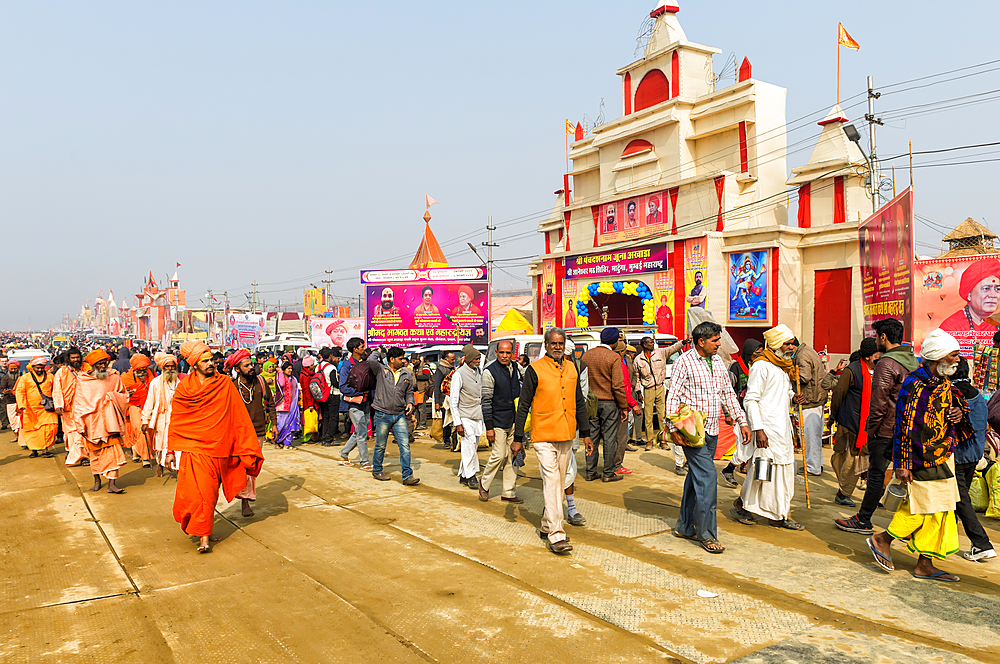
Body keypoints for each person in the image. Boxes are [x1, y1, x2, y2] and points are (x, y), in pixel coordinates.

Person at [866, 329, 969, 582]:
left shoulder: (942, 383)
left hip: (943, 453)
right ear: (938, 358)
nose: (958, 360)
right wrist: (902, 464)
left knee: (942, 509)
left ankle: (925, 564)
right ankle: (883, 539)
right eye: (953, 355)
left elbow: (945, 413)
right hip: (919, 457)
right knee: (924, 508)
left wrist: (956, 415)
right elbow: (904, 426)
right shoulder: (915, 385)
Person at [168, 341, 264, 553]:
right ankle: (204, 536)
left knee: (210, 495)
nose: (211, 363)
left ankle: (205, 530)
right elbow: (177, 420)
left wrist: (245, 444)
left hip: (220, 449)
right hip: (194, 450)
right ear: (194, 365)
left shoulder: (225, 384)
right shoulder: (184, 389)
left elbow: (238, 416)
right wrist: (169, 451)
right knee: (200, 495)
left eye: (211, 359)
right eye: (205, 361)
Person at [666, 321, 751, 554]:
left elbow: (728, 394)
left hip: (713, 428)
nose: (719, 344)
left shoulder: (718, 362)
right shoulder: (684, 362)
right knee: (708, 479)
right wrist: (673, 429)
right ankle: (706, 533)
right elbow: (672, 397)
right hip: (692, 430)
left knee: (697, 478)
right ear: (701, 341)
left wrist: (741, 420)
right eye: (715, 340)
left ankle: (684, 527)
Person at [513, 328, 592, 554]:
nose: (557, 346)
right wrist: (518, 438)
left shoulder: (571, 369)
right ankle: (556, 534)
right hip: (543, 436)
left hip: (566, 434)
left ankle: (547, 524)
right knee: (551, 480)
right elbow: (524, 406)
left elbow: (579, 402)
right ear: (546, 345)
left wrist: (585, 433)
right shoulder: (534, 370)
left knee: (560, 480)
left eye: (560, 343)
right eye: (553, 343)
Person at [836, 318, 918, 535]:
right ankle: (911, 526)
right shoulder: (912, 361)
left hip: (886, 429)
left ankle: (863, 520)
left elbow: (879, 402)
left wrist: (870, 430)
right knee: (909, 477)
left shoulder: (887, 363)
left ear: (883, 337)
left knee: (876, 475)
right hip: (909, 428)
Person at [731, 325, 804, 530]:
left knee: (783, 472)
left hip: (782, 428)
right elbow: (751, 400)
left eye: (791, 343)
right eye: (787, 343)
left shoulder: (783, 366)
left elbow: (783, 392)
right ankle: (754, 509)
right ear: (775, 344)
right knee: (763, 471)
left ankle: (776, 512)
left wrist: (793, 397)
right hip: (767, 428)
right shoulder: (761, 366)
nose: (791, 347)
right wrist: (758, 429)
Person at [950, 357, 996, 561]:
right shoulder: (977, 394)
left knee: (960, 500)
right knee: (956, 500)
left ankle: (981, 543)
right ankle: (945, 536)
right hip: (974, 454)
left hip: (957, 456)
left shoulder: (952, 395)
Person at [828, 338, 879, 506]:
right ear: (869, 356)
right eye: (875, 353)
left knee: (854, 459)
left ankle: (846, 489)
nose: (878, 355)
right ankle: (843, 493)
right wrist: (833, 416)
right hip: (851, 422)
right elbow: (838, 395)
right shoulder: (852, 371)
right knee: (849, 459)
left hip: (868, 424)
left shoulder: (878, 371)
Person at [227, 348, 275, 517]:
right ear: (237, 369)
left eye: (251, 364)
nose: (251, 368)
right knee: (241, 466)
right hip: (239, 433)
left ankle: (246, 497)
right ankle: (244, 500)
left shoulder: (260, 381)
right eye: (246, 365)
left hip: (259, 431)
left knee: (252, 467)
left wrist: (274, 425)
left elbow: (271, 404)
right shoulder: (231, 386)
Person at [74, 350, 129, 494]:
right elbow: (78, 404)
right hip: (92, 423)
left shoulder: (114, 378)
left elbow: (124, 395)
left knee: (113, 452)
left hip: (111, 422)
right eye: (100, 363)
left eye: (105, 362)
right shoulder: (83, 381)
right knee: (95, 454)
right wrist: (80, 425)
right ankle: (97, 481)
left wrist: (112, 397)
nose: (103, 365)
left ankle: (112, 484)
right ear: (92, 366)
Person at [581, 327, 628, 483]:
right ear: (615, 342)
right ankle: (608, 473)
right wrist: (624, 406)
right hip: (609, 403)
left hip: (591, 402)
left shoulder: (587, 355)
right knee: (609, 438)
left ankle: (590, 471)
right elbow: (617, 386)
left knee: (591, 437)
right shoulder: (613, 357)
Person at [368, 346, 419, 485]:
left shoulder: (406, 374)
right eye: (400, 358)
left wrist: (410, 403)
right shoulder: (381, 370)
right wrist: (377, 351)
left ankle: (407, 476)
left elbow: (409, 392)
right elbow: (370, 360)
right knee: (381, 445)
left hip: (399, 414)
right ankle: (377, 469)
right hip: (382, 414)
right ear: (391, 359)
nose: (403, 361)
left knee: (405, 445)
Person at [479, 340, 522, 502]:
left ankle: (508, 492)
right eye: (502, 353)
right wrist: (489, 427)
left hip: (514, 420)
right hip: (497, 420)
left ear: (512, 354)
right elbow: (486, 401)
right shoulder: (489, 372)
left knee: (513, 455)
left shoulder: (517, 368)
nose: (505, 356)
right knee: (499, 454)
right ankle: (484, 483)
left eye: (508, 353)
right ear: (496, 353)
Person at [634, 335, 687, 459]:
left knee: (662, 416)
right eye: (650, 342)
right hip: (648, 390)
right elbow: (636, 377)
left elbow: (673, 348)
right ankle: (649, 441)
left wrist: (683, 342)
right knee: (647, 416)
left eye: (653, 342)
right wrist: (638, 392)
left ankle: (663, 441)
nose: (653, 344)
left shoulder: (661, 352)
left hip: (660, 388)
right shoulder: (638, 359)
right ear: (644, 345)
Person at [721, 339, 764, 487]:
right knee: (744, 443)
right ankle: (729, 468)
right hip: (741, 411)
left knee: (753, 445)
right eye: (755, 353)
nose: (758, 356)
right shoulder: (736, 368)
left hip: (757, 411)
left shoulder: (759, 367)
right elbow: (726, 391)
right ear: (748, 352)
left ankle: (745, 470)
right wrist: (728, 412)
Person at [790, 337, 827, 476]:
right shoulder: (807, 351)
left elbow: (804, 377)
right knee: (814, 436)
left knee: (810, 436)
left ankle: (813, 467)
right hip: (816, 399)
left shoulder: (802, 355)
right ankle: (816, 464)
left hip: (810, 400)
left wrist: (789, 373)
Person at [450, 344, 484, 488]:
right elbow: (453, 401)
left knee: (472, 446)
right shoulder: (458, 374)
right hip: (464, 416)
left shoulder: (479, 371)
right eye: (476, 358)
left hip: (478, 415)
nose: (478, 361)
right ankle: (471, 476)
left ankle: (464, 475)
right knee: (468, 445)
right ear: (469, 359)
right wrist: (458, 423)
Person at [141, 352, 180, 477]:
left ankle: (177, 466)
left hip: (177, 417)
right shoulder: (155, 383)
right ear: (162, 367)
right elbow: (149, 402)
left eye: (172, 366)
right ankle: (160, 465)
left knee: (176, 444)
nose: (170, 369)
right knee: (160, 444)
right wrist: (145, 421)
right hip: (161, 418)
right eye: (167, 366)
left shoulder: (180, 382)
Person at [940, 257, 1000, 335]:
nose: (993, 295)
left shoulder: (997, 321)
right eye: (986, 288)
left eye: (998, 289)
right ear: (969, 294)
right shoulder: (950, 326)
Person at [15, 357, 58, 458]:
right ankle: (34, 450)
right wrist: (21, 405)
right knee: (33, 430)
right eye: (37, 368)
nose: (39, 370)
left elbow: (56, 390)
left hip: (47, 408)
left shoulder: (50, 376)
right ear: (32, 367)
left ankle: (45, 449)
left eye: (41, 367)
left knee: (50, 427)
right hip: (30, 409)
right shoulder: (25, 378)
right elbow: (20, 391)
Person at [338, 338, 372, 469]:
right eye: (362, 346)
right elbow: (343, 387)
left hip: (366, 402)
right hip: (354, 404)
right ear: (355, 349)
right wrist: (360, 392)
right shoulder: (347, 365)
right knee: (362, 433)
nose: (364, 348)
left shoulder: (365, 363)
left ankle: (344, 452)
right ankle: (364, 462)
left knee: (359, 431)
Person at [612, 340, 643, 475]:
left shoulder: (625, 362)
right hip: (621, 403)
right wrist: (632, 403)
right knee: (620, 436)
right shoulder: (618, 364)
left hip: (616, 402)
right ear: (621, 351)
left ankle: (610, 465)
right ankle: (616, 465)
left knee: (613, 437)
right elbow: (622, 387)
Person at [54, 347, 87, 467]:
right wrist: (58, 405)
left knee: (84, 431)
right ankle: (76, 454)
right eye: (73, 358)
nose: (76, 359)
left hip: (86, 406)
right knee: (72, 433)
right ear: (69, 359)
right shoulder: (61, 372)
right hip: (69, 408)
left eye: (77, 357)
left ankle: (85, 456)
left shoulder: (87, 369)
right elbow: (57, 390)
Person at [120, 353, 153, 466]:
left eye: (144, 370)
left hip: (148, 407)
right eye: (139, 370)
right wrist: (126, 394)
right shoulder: (125, 378)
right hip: (133, 407)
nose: (142, 372)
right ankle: (145, 458)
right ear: (134, 370)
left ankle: (136, 450)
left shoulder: (152, 375)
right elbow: (119, 394)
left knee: (150, 430)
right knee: (140, 430)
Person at [273, 362, 301, 449]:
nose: (290, 370)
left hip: (292, 406)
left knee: (291, 424)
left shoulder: (293, 379)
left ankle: (287, 444)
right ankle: (277, 441)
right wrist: (280, 372)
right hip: (282, 406)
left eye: (291, 368)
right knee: (280, 425)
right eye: (288, 368)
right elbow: (281, 384)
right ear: (284, 369)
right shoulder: (280, 377)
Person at [433, 350, 457, 450]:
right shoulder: (440, 369)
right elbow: (436, 387)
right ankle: (446, 441)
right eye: (452, 359)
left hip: (454, 398)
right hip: (444, 400)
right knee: (446, 422)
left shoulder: (454, 369)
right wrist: (437, 403)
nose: (454, 361)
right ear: (446, 359)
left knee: (455, 421)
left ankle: (455, 441)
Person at [318, 347, 341, 446]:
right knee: (333, 417)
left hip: (322, 394)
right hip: (332, 393)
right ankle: (329, 438)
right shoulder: (331, 367)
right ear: (330, 356)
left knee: (325, 416)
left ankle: (324, 437)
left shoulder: (318, 366)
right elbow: (334, 383)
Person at [299, 355, 318, 443]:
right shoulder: (306, 375)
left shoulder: (305, 373)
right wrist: (310, 403)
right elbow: (306, 390)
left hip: (308, 399)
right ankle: (307, 437)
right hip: (307, 399)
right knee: (307, 418)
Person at [2, 361, 21, 444]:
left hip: (21, 401)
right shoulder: (6, 378)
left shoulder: (22, 377)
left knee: (20, 420)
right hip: (10, 401)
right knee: (12, 420)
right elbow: (2, 388)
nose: (13, 370)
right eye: (11, 369)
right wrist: (4, 392)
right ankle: (16, 436)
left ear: (18, 368)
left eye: (15, 368)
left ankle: (21, 437)